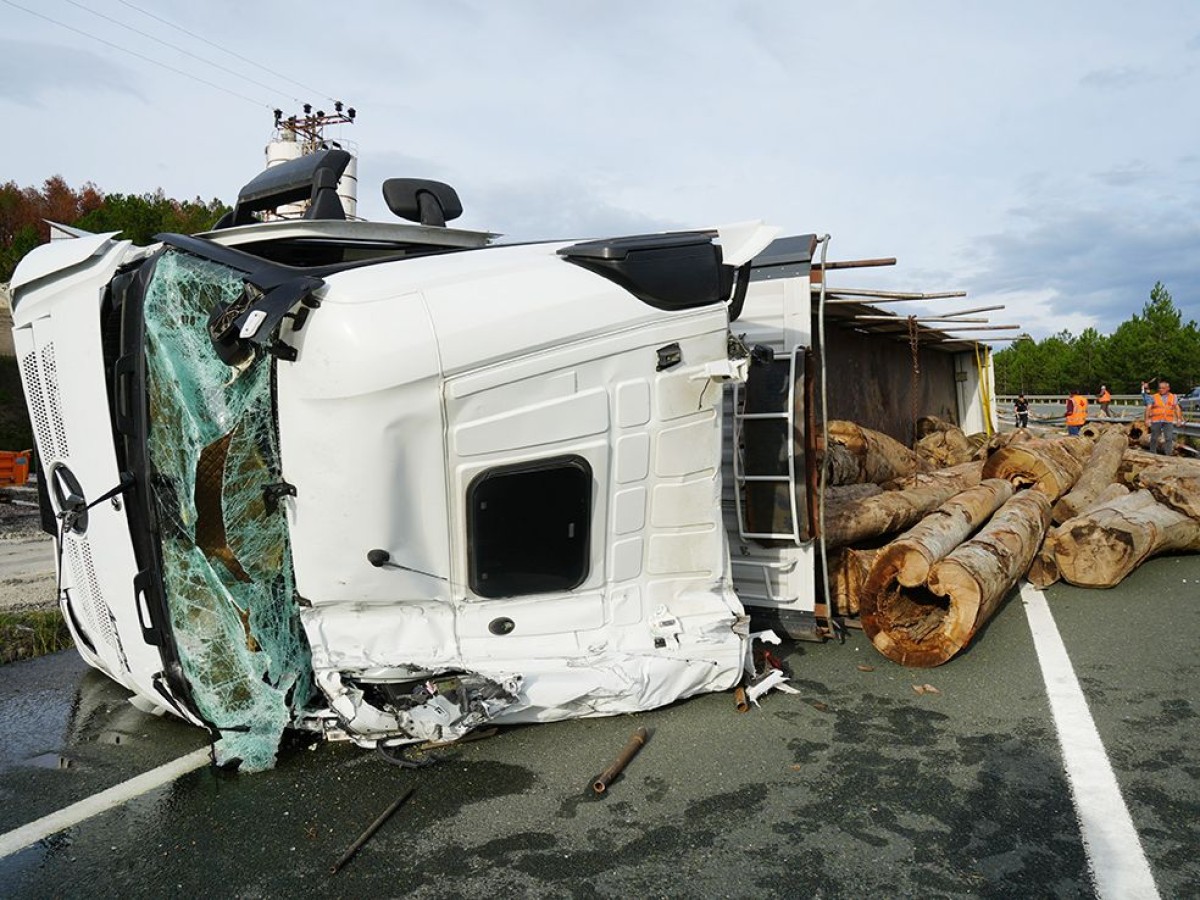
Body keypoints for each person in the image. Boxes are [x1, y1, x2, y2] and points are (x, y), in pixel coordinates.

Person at [1145, 379, 1183, 455]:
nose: (1161, 389)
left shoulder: (1173, 397)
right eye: (1159, 388)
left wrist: (1179, 419)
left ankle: (1168, 455)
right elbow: (1148, 408)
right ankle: (1152, 454)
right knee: (1154, 438)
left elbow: (1177, 408)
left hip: (1168, 421)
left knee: (1169, 438)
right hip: (1156, 420)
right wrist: (1146, 419)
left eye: (1163, 388)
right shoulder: (1154, 397)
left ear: (1168, 388)